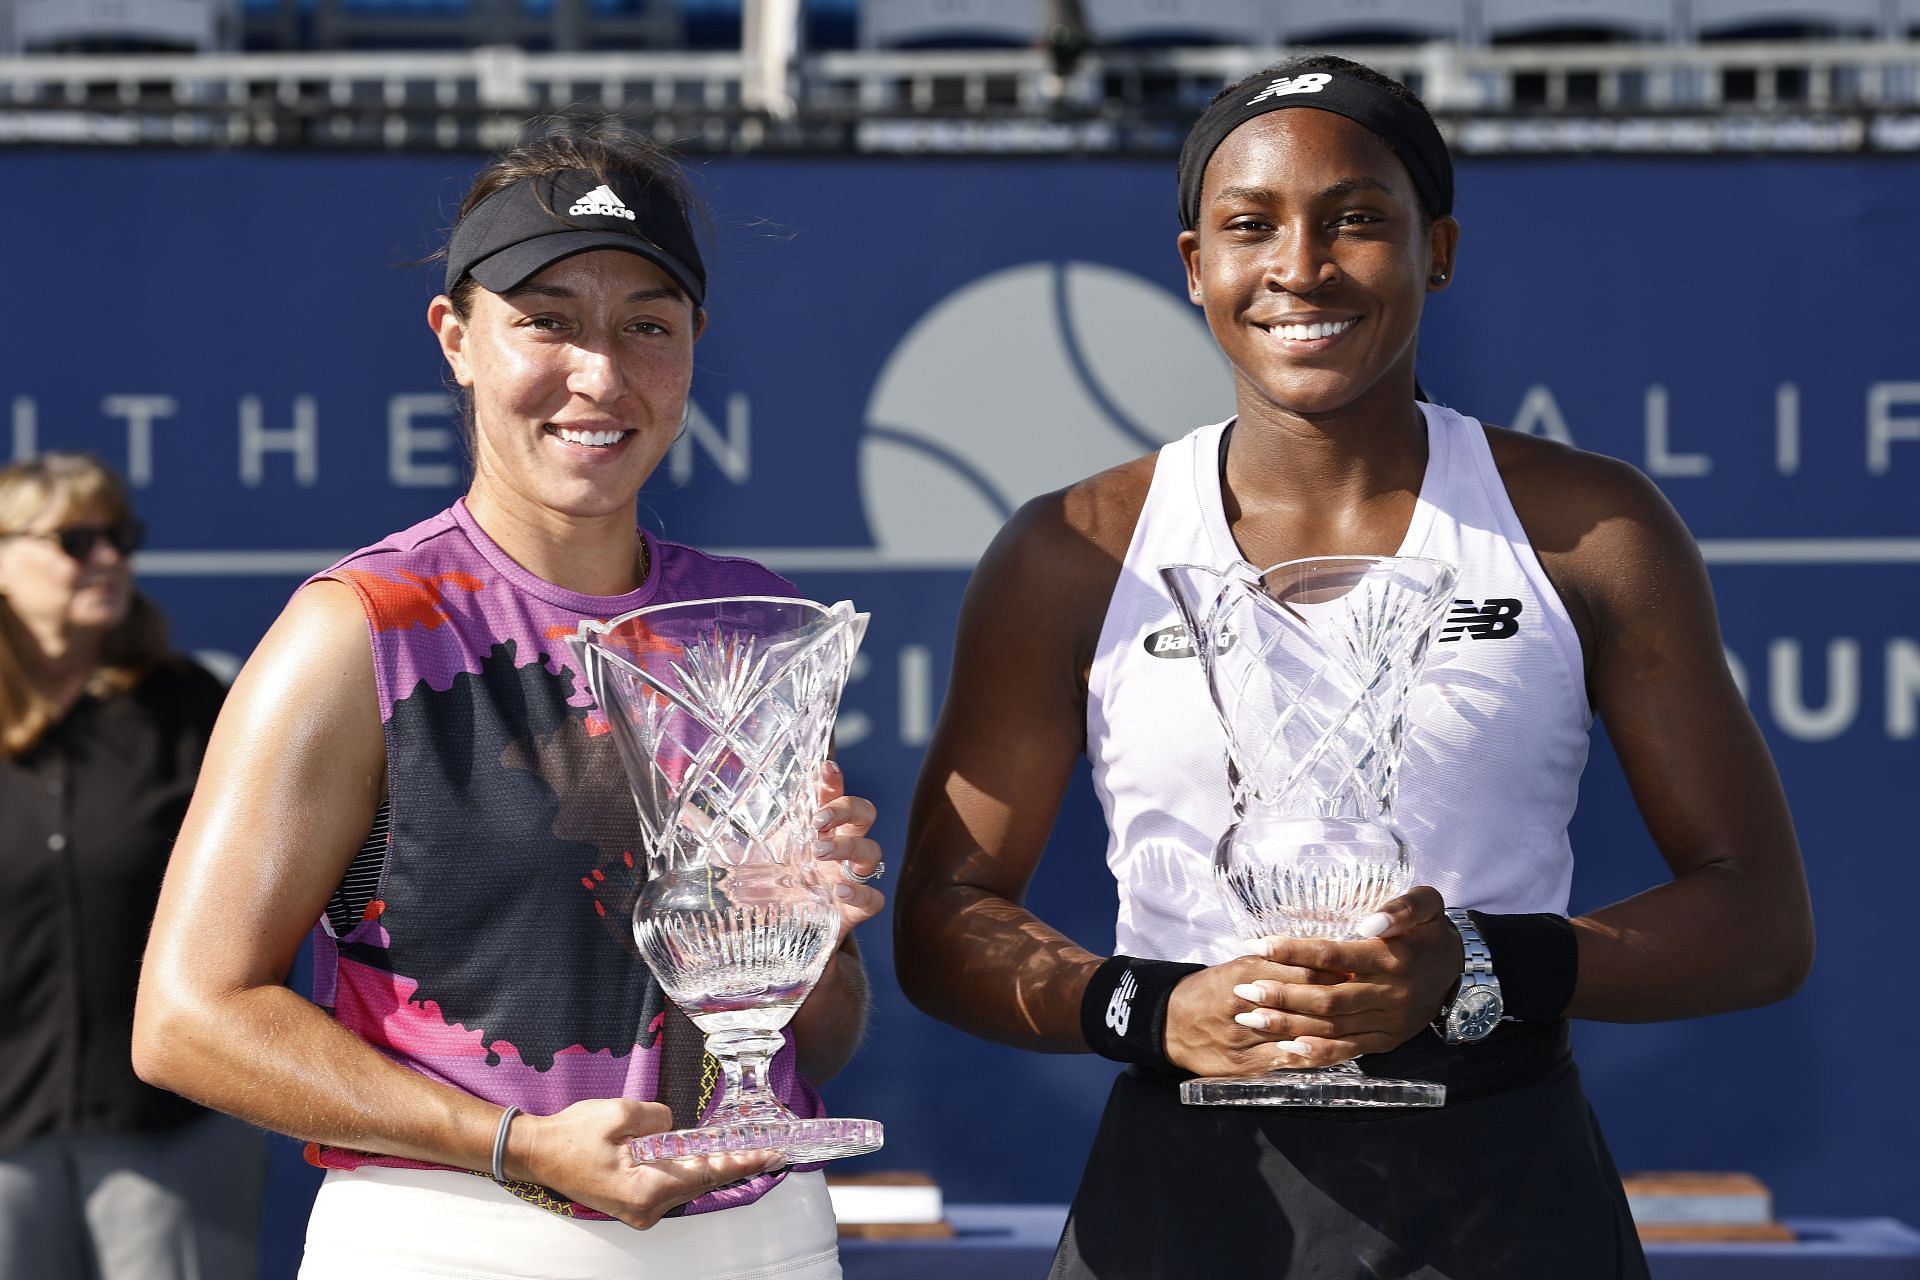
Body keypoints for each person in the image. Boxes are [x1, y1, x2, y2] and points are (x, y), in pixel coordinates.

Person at [894, 55, 1814, 1280]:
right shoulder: (1075, 550)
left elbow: (1758, 917)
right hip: (1180, 1196)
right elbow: (941, 915)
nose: (1301, 267)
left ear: (1437, 250)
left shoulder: (1590, 527)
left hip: (1502, 1189)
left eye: (1358, 219)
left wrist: (1476, 964)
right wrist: (1152, 1008)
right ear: (1194, 268)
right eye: (1250, 226)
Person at [132, 124, 885, 1279]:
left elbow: (821, 1039)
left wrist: (811, 943)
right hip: (461, 1235)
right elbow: (189, 1016)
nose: (601, 371)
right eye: (548, 318)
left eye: (647, 322)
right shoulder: (364, 626)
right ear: (458, 338)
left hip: (768, 1238)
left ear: (692, 347)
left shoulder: (754, 622)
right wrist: (517, 1145)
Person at [0, 453, 266, 1280]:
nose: (110, 558)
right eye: (78, 540)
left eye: (121, 536)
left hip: (171, 1125)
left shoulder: (190, 708)